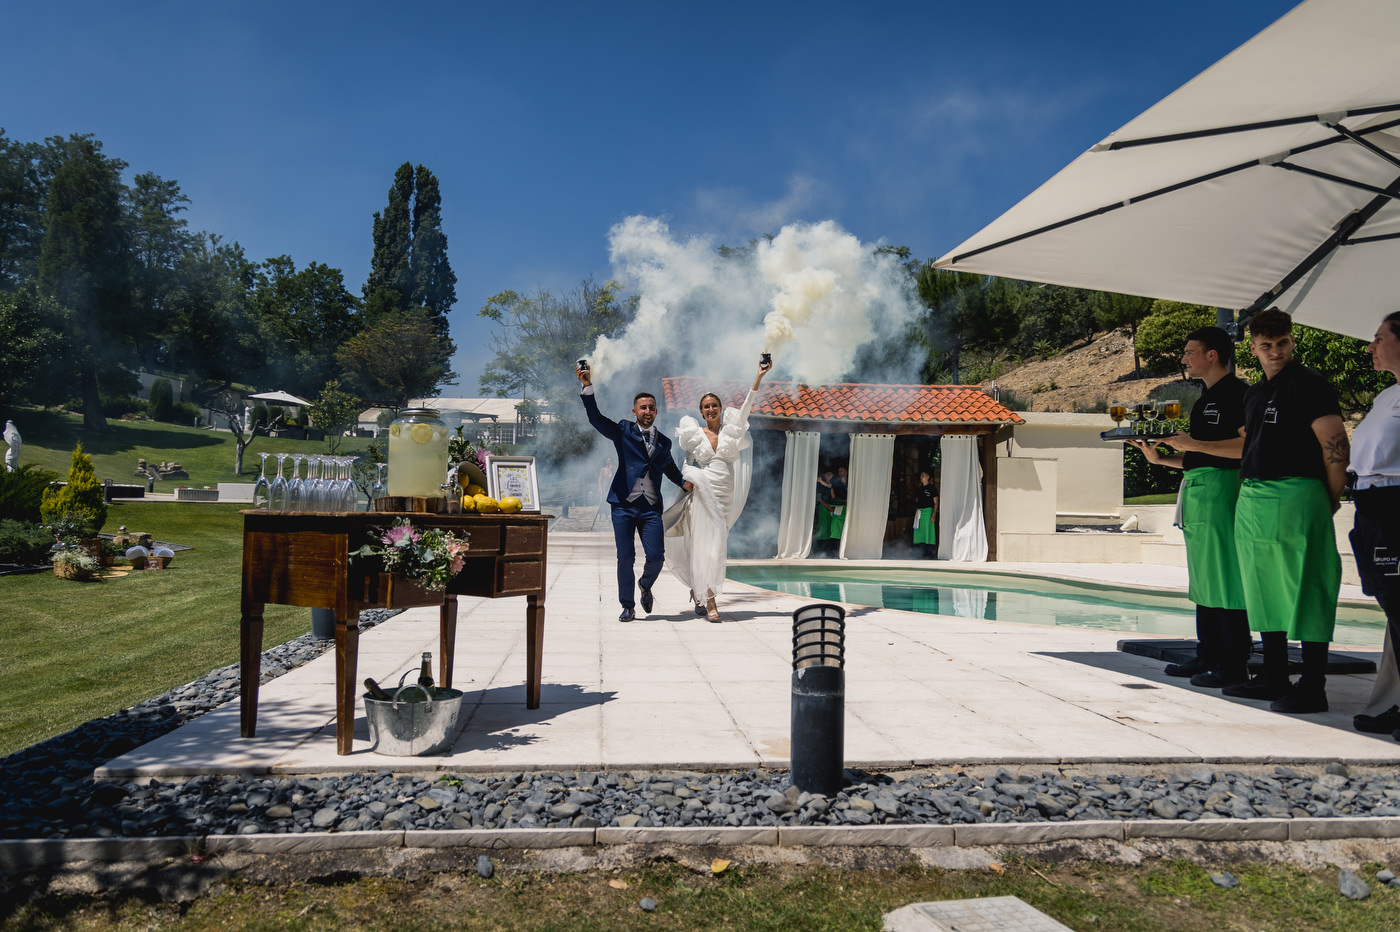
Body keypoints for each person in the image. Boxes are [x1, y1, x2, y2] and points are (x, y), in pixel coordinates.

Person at [1224, 308, 1348, 714]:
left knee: (1308, 585)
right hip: (1254, 497)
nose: (1275, 352)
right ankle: (1274, 674)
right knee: (1260, 587)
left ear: (1292, 341)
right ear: (1253, 347)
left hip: (1298, 493)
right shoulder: (1255, 393)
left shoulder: (1309, 383)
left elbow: (1335, 442)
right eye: (1266, 346)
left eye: (1282, 343)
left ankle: (1313, 685)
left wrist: (1330, 496)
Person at [1129, 327, 1252, 688]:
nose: (1184, 359)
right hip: (1199, 492)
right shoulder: (1203, 399)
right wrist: (1160, 459)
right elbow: (1197, 456)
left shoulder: (1239, 394)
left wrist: (1194, 442)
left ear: (1212, 355)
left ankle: (1232, 662)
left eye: (1189, 352)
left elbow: (1247, 447)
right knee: (1202, 579)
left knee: (1225, 577)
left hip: (1224, 492)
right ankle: (1208, 654)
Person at [578, 364, 688, 622]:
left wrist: (685, 482)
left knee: (656, 557)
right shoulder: (624, 430)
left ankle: (645, 585)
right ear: (634, 411)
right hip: (624, 505)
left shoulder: (664, 442)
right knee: (625, 556)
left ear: (656, 411)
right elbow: (596, 419)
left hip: (650, 508)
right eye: (643, 407)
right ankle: (628, 605)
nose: (647, 411)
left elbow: (669, 468)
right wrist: (587, 387)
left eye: (651, 407)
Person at [665, 359, 771, 620]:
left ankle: (700, 591)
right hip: (704, 490)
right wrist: (686, 480)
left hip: (726, 492)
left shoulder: (732, 430)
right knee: (706, 546)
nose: (711, 409)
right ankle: (710, 602)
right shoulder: (694, 433)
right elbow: (686, 461)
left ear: (721, 409)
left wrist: (758, 377)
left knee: (717, 543)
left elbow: (747, 406)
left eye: (714, 405)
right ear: (701, 412)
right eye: (706, 407)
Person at [1347, 310, 1400, 738]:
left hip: (1396, 504)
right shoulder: (1388, 396)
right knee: (1391, 605)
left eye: (1379, 337)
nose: (1371, 346)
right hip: (1372, 503)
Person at [912, 470, 939, 558]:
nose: (921, 477)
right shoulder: (919, 489)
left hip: (928, 511)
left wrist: (934, 514)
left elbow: (936, 502)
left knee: (928, 531)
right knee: (920, 530)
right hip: (920, 511)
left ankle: (929, 552)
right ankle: (920, 552)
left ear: (927, 477)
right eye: (920, 476)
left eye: (923, 476)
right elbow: (916, 501)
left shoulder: (932, 489)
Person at [828, 464, 849, 540]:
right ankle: (836, 542)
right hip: (839, 506)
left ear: (846, 472)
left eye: (842, 471)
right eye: (839, 471)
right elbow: (832, 490)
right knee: (836, 522)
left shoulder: (851, 482)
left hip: (848, 506)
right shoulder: (837, 482)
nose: (840, 472)